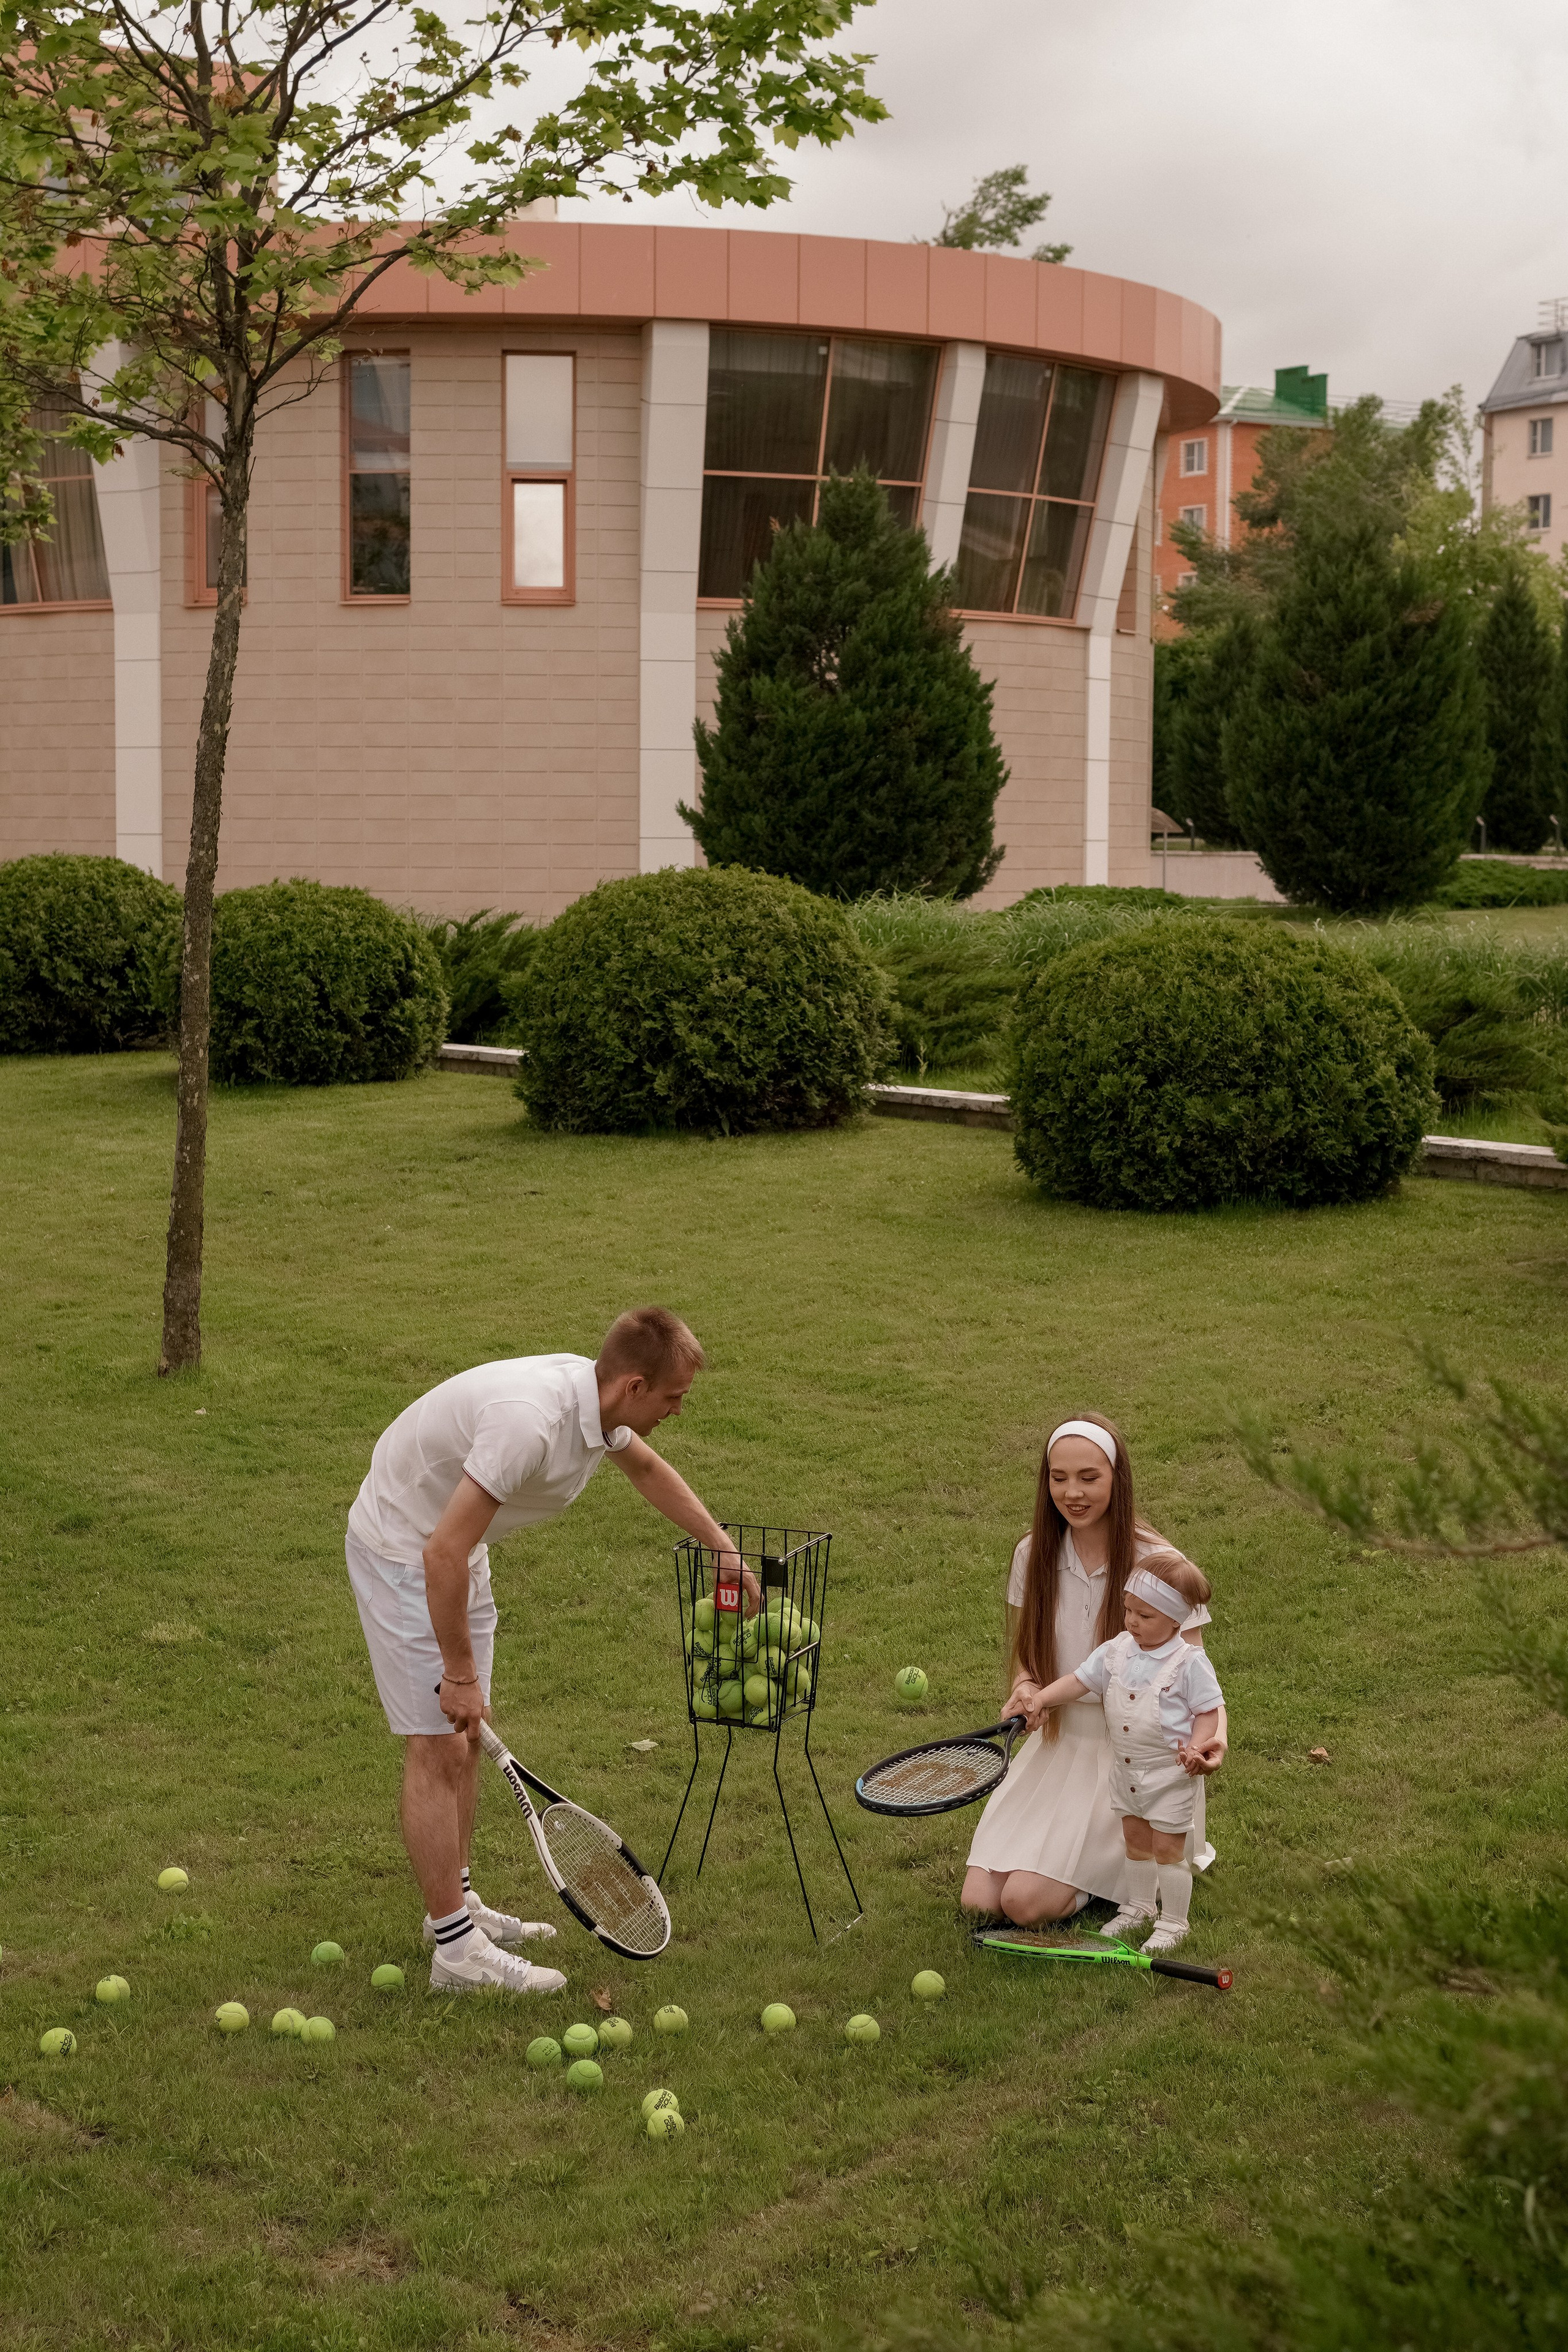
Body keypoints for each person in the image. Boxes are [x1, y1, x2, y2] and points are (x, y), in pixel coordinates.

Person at [345, 1306, 753, 1996]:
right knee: (438, 1743)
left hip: (454, 1549)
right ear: (631, 1385)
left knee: (464, 1734)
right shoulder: (528, 1425)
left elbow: (648, 1470)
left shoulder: (595, 1408)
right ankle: (455, 1954)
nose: (678, 1411)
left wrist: (723, 1549)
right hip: (405, 1549)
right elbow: (439, 1552)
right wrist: (458, 1672)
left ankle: (458, 1907)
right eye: (673, 1397)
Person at [960, 1413, 1227, 1929]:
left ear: (1116, 1479)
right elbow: (1028, 1652)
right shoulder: (1032, 1551)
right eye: (1059, 1478)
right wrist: (1025, 1686)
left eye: (1089, 1477)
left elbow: (1200, 1682)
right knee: (980, 1900)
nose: (1072, 1493)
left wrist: (1215, 1742)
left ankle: (1114, 1882)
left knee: (1024, 1904)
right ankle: (1094, 1872)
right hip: (1059, 1746)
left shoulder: (1159, 1562)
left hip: (1136, 1760)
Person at [1011, 1551, 1222, 1953]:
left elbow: (1208, 1711)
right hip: (1126, 1771)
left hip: (1170, 1774)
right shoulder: (1118, 1650)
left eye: (1146, 1616)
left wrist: (1197, 1747)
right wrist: (1042, 1700)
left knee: (1167, 1848)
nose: (1132, 1622)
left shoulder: (1189, 1662)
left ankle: (1175, 1921)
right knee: (1136, 1840)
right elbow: (1078, 1680)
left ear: (1176, 1620)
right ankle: (1139, 1907)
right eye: (1129, 1611)